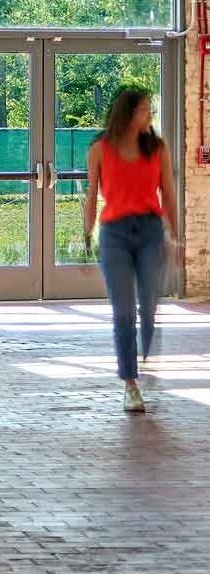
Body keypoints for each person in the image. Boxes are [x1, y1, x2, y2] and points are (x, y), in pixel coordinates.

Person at [84, 86, 180, 414]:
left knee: (149, 309)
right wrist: (86, 233)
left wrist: (176, 237)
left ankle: (145, 356)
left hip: (151, 232)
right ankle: (130, 383)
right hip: (115, 235)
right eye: (144, 109)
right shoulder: (100, 148)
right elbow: (91, 192)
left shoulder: (158, 148)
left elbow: (168, 193)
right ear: (128, 112)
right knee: (123, 310)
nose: (149, 115)